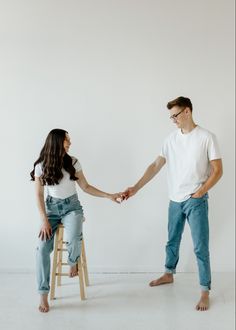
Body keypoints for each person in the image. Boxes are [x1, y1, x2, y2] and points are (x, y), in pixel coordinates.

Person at [122, 96, 223, 311]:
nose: (173, 120)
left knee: (200, 247)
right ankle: (168, 274)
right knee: (172, 241)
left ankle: (205, 290)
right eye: (171, 117)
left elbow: (218, 171)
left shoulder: (206, 137)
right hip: (174, 200)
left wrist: (201, 192)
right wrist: (136, 187)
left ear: (187, 112)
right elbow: (155, 165)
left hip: (196, 200)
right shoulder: (170, 140)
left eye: (175, 115)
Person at [30, 128, 122, 313]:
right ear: (57, 142)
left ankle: (73, 261)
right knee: (41, 248)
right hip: (51, 209)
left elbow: (86, 187)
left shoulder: (73, 162)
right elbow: (39, 195)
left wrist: (108, 195)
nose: (70, 143)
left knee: (73, 236)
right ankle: (43, 295)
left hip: (72, 207)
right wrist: (44, 220)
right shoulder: (41, 166)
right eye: (67, 140)